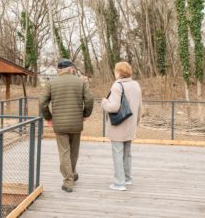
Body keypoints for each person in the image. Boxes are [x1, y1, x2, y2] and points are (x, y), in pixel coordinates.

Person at [40, 58, 94, 193]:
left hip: (60, 124)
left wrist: (48, 117)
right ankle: (72, 174)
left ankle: (68, 181)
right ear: (70, 69)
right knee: (74, 152)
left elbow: (42, 102)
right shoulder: (80, 82)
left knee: (64, 152)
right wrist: (86, 114)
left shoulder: (51, 83)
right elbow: (89, 99)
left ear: (59, 70)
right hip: (76, 123)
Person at [101, 61, 142, 191]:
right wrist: (136, 122)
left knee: (117, 153)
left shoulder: (117, 85)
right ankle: (128, 178)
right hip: (131, 125)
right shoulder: (136, 84)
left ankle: (119, 183)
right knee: (127, 153)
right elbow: (140, 106)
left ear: (119, 72)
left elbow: (113, 107)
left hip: (118, 126)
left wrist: (104, 103)